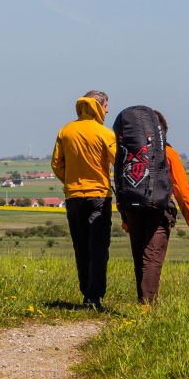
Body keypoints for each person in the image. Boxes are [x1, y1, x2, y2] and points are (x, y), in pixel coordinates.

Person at [119, 109, 189, 304]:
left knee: (140, 257)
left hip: (133, 210)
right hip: (159, 211)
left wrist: (124, 217)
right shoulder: (168, 153)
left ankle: (143, 300)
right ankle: (147, 306)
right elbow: (181, 187)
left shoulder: (129, 153)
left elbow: (122, 183)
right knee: (153, 257)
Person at [51, 90, 116, 309]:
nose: (108, 110)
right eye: (106, 106)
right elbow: (118, 161)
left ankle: (85, 292)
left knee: (80, 246)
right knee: (99, 246)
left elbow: (56, 165)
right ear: (98, 106)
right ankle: (94, 296)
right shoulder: (105, 133)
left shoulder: (65, 131)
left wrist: (70, 181)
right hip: (99, 196)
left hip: (73, 197)